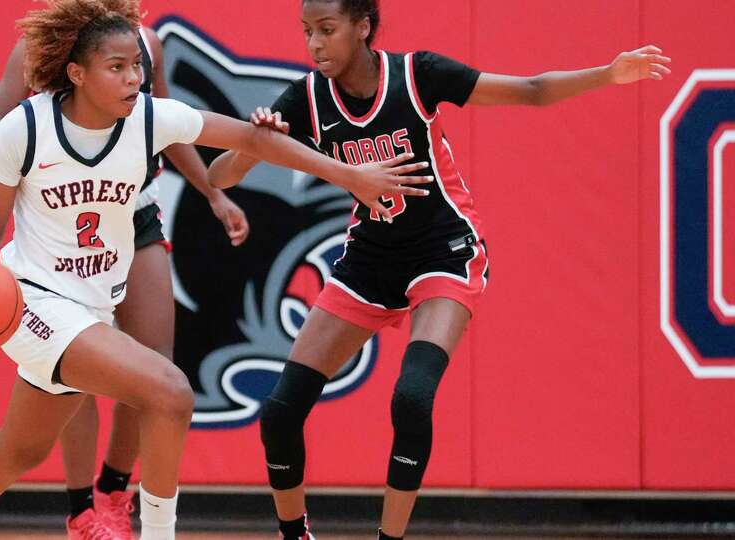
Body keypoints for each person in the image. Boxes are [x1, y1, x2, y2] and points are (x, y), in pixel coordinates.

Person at [0, 0, 433, 539]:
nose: (133, 79)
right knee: (170, 391)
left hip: (91, 302)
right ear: (77, 72)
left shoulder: (149, 120)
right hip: (33, 302)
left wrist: (350, 176)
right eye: (117, 68)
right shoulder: (24, 130)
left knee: (19, 449)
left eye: (137, 66)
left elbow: (252, 139)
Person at [207, 1, 671, 538]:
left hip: (442, 249)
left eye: (327, 30)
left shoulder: (417, 74)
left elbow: (532, 90)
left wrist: (609, 74)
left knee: (412, 396)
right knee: (280, 414)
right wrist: (252, 141)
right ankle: (295, 536)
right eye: (307, 32)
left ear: (362, 27)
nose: (314, 44)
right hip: (369, 261)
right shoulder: (307, 96)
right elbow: (221, 175)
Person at [0, 14, 252, 539]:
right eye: (115, 68)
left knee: (154, 365)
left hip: (132, 210)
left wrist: (213, 193)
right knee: (75, 366)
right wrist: (48, 132)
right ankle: (82, 509)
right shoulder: (38, 51)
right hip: (64, 215)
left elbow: (169, 126)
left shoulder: (146, 45)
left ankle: (114, 491)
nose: (129, 77)